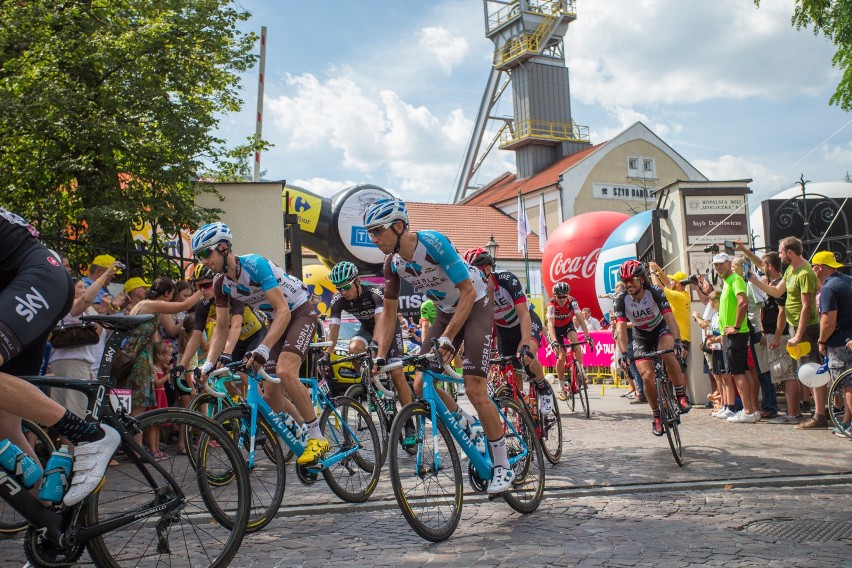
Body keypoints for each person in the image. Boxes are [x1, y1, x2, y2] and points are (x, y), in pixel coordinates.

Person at [366, 198, 513, 495]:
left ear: (398, 226)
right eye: (370, 232)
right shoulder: (392, 264)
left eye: (377, 230)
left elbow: (468, 291)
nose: (373, 238)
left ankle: (502, 464)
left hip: (475, 302)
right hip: (446, 309)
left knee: (474, 386)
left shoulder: (433, 243)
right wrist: (380, 356)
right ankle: (466, 423)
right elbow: (390, 313)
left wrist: (448, 337)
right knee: (421, 383)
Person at [0, 207, 119, 507]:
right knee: (5, 425)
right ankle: (49, 519)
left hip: (40, 276)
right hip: (20, 288)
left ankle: (89, 435)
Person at [192, 222, 327, 465]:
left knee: (285, 371)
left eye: (206, 254)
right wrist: (207, 364)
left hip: (298, 311)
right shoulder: (221, 284)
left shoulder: (254, 265)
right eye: (199, 256)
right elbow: (221, 327)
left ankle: (317, 435)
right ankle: (302, 433)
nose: (203, 261)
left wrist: (263, 348)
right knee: (272, 392)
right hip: (278, 320)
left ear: (223, 248)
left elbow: (283, 310)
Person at [323, 261, 414, 443]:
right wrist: (326, 353)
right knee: (354, 349)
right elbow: (334, 328)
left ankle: (410, 424)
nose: (343, 291)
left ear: (357, 281)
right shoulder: (338, 300)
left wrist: (376, 347)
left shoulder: (374, 292)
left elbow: (382, 321)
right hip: (367, 328)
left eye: (346, 286)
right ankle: (373, 387)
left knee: (397, 373)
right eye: (338, 288)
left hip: (389, 327)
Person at [463, 247, 552, 413]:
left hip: (526, 322)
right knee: (509, 371)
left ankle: (543, 387)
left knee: (526, 358)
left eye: (475, 272)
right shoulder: (474, 292)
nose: (471, 277)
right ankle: (521, 408)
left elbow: (524, 314)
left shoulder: (506, 280)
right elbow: (479, 324)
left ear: (488, 268)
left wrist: (525, 343)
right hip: (505, 331)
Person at [748, 236, 822, 429]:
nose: (779, 256)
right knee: (802, 371)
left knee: (812, 370)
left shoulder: (805, 272)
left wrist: (798, 335)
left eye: (781, 252)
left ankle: (819, 414)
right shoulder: (791, 270)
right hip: (795, 326)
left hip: (806, 328)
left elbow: (806, 308)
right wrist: (755, 281)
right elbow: (776, 293)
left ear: (789, 252)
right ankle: (814, 413)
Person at [613, 260, 690, 436]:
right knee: (647, 376)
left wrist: (678, 341)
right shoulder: (621, 299)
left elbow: (670, 319)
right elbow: (621, 329)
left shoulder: (654, 292)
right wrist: (624, 353)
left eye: (631, 280)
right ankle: (656, 416)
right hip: (641, 336)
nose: (627, 284)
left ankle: (680, 395)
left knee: (668, 354)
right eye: (624, 281)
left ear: (641, 278)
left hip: (660, 329)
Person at [712, 253, 760, 423]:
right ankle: (751, 410)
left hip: (736, 334)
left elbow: (743, 302)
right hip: (730, 334)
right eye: (715, 265)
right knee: (742, 372)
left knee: (738, 373)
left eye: (720, 264)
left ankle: (747, 411)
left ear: (728, 263)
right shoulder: (727, 282)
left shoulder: (735, 279)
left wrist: (736, 327)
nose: (717, 268)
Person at [811, 251, 852, 437]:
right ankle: (846, 423)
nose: (813, 270)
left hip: (839, 342)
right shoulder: (848, 280)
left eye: (814, 267)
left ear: (820, 267)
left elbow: (828, 321)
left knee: (847, 385)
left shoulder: (829, 288)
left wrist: (821, 341)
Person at [546, 282, 592, 401]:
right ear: (555, 296)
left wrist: (588, 336)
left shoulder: (572, 301)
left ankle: (581, 372)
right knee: (561, 357)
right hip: (555, 329)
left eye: (564, 296)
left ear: (568, 295)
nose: (561, 299)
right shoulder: (551, 305)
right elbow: (550, 324)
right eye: (559, 297)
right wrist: (554, 341)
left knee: (575, 342)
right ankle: (561, 386)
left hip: (567, 325)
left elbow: (580, 318)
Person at [648, 263, 692, 370]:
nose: (670, 281)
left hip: (680, 338)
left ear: (678, 284)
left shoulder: (677, 296)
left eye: (673, 280)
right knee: (676, 368)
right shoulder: (683, 294)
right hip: (682, 337)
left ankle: (682, 388)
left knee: (679, 369)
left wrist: (652, 272)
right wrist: (657, 267)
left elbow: (658, 287)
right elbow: (667, 283)